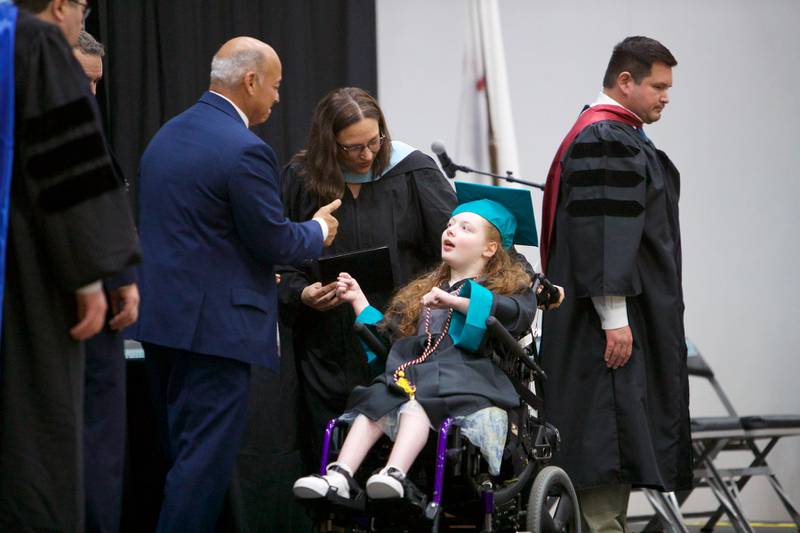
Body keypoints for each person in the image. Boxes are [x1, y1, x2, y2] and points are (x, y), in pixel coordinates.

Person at [133, 36, 340, 533]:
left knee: (181, 459)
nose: (277, 98)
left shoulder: (166, 135)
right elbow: (275, 241)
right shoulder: (246, 149)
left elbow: (195, 232)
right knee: (202, 468)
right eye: (275, 86)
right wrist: (318, 230)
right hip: (215, 333)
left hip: (160, 324)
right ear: (250, 81)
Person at [293, 182, 561, 500]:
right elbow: (390, 340)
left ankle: (394, 473)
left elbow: (516, 313)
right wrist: (357, 299)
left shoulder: (509, 291)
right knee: (376, 400)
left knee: (419, 400)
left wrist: (457, 302)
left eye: (465, 228)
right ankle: (338, 475)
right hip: (416, 375)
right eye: (450, 224)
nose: (451, 230)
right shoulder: (425, 292)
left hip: (468, 379)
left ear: (490, 248)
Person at [538, 36, 692, 531]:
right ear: (625, 81)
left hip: (603, 325)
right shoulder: (606, 138)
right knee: (603, 453)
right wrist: (614, 318)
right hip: (601, 332)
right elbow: (604, 236)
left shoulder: (613, 133)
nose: (666, 97)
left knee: (608, 459)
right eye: (658, 86)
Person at [0, 1, 141, 530]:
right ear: (60, 5)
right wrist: (96, 273)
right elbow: (68, 166)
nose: (84, 17)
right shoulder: (36, 47)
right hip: (29, 276)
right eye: (82, 6)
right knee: (39, 433)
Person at [278, 87, 457, 459]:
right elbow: (280, 259)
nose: (367, 155)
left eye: (375, 142)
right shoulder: (300, 179)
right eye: (353, 147)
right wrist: (302, 293)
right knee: (328, 451)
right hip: (326, 347)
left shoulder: (414, 171)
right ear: (329, 143)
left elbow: (457, 244)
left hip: (401, 340)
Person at [73, 30, 140, 533]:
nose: (91, 94)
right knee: (95, 442)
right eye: (82, 80)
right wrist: (118, 278)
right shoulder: (70, 138)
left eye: (97, 83)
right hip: (85, 310)